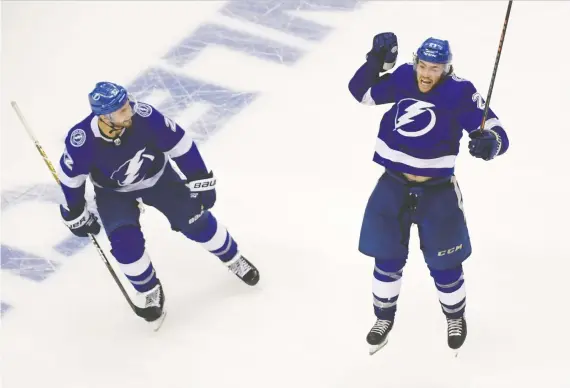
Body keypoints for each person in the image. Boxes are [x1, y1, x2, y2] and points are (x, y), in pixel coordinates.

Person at [348, 33, 509, 355]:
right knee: (386, 257)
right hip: (392, 184)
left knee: (445, 262)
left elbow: (497, 131)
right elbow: (362, 93)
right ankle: (383, 317)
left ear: (446, 69)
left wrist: (490, 143)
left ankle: (455, 316)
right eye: (422, 65)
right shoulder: (404, 77)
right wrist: (375, 60)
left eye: (434, 68)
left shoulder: (460, 91)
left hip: (437, 191)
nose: (426, 73)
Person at [56, 81, 260, 329]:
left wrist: (200, 178)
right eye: (121, 110)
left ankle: (233, 258)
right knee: (125, 245)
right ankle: (149, 289)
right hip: (114, 194)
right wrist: (75, 211)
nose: (129, 110)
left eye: (127, 103)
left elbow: (180, 144)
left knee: (196, 222)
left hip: (159, 179)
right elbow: (71, 180)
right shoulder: (82, 141)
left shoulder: (145, 116)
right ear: (105, 117)